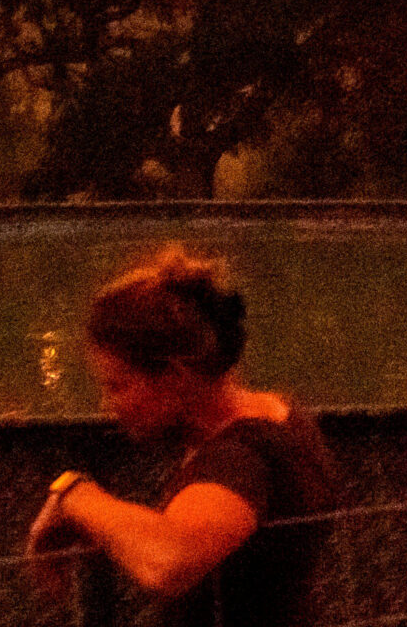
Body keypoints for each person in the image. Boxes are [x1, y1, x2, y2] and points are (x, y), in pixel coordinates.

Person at [25, 247, 340, 627]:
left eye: (118, 385)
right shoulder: (282, 415)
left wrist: (73, 493)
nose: (108, 404)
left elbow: (166, 560)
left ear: (175, 376)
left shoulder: (241, 456)